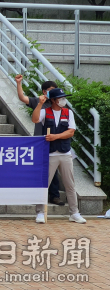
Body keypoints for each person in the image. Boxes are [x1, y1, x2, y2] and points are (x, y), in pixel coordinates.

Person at [32, 88, 86, 224]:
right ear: (53, 100)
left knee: (70, 184)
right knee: (44, 184)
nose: (63, 100)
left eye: (64, 97)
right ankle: (40, 212)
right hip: (49, 153)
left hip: (65, 153)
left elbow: (71, 132)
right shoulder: (45, 111)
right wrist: (39, 103)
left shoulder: (68, 113)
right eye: (61, 98)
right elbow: (35, 119)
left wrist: (55, 136)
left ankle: (74, 213)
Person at [15, 76, 64, 206]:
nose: (54, 92)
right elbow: (22, 98)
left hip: (54, 141)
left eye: (55, 89)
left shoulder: (59, 104)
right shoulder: (38, 101)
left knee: (53, 170)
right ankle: (35, 196)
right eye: (51, 90)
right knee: (38, 169)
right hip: (39, 141)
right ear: (44, 91)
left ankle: (54, 196)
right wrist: (19, 83)